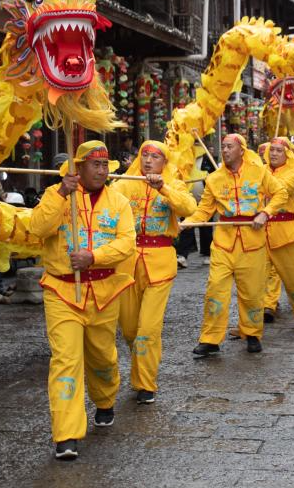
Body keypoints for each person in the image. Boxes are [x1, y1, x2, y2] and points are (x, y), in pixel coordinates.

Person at [28, 140, 137, 461]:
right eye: (95, 165)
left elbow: (127, 243)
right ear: (79, 168)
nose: (101, 171)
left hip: (104, 292)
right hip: (61, 292)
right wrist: (62, 193)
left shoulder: (118, 202)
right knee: (65, 360)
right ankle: (67, 435)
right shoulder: (56, 195)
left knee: (102, 357)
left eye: (105, 165)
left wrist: (94, 257)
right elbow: (37, 228)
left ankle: (105, 400)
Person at [182, 134, 288, 356]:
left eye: (230, 146)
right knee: (215, 290)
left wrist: (265, 213)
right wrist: (188, 222)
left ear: (241, 150)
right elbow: (204, 210)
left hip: (253, 242)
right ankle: (210, 339)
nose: (225, 150)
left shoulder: (259, 172)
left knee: (252, 292)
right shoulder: (214, 179)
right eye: (223, 147)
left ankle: (252, 333)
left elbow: (281, 193)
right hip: (223, 243)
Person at [112, 141, 197, 404]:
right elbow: (106, 204)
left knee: (148, 328)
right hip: (127, 262)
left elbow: (189, 208)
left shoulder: (174, 183)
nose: (149, 160)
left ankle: (145, 384)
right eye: (145, 155)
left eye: (156, 157)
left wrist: (164, 188)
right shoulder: (124, 184)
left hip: (160, 262)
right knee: (129, 330)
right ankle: (142, 367)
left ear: (165, 162)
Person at [258, 138, 294, 331]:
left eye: (279, 151)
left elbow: (278, 190)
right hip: (259, 233)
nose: (274, 154)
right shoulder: (260, 170)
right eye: (272, 150)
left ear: (287, 154)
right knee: (253, 281)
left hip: (285, 233)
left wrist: (259, 180)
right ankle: (249, 324)